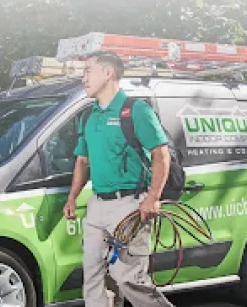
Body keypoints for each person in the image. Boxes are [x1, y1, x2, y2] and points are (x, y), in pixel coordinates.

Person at [62, 51, 174, 307]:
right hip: (96, 205)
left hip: (129, 205)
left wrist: (153, 197)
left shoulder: (135, 110)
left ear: (108, 72)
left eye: (89, 71)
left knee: (128, 278)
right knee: (92, 279)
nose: (84, 78)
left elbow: (161, 155)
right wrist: (72, 198)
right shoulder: (88, 116)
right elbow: (82, 161)